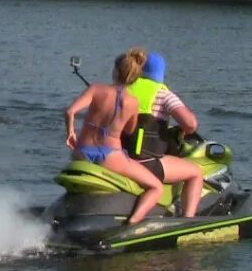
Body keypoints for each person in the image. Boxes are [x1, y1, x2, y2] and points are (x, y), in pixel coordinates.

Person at [64, 47, 165, 225]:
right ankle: (133, 222)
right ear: (135, 76)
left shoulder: (96, 89)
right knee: (156, 187)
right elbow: (129, 130)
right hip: (110, 157)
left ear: (115, 71)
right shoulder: (133, 102)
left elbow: (70, 111)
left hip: (82, 152)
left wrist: (71, 133)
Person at [123, 52, 204, 218]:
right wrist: (186, 130)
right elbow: (190, 123)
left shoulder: (121, 89)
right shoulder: (162, 94)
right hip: (144, 160)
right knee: (196, 172)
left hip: (118, 157)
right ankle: (188, 220)